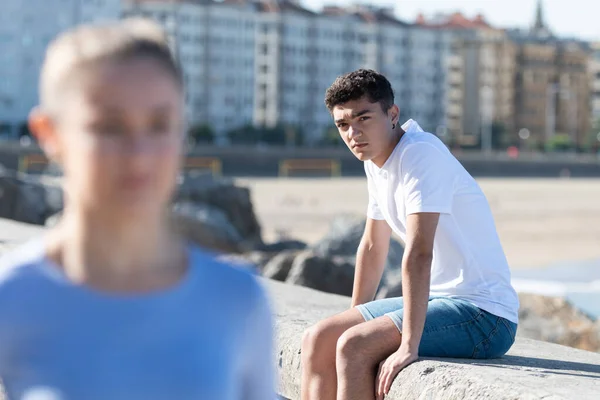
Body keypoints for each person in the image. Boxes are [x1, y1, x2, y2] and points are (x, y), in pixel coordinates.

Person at [0, 19, 274, 400]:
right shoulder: (12, 299)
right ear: (49, 133)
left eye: (160, 124)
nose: (139, 155)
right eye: (109, 127)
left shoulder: (237, 301)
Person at [301, 69, 519, 400]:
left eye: (363, 118)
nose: (353, 133)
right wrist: (355, 316)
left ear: (392, 114)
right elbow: (373, 246)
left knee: (354, 346)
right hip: (438, 301)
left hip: (485, 315)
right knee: (318, 338)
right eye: (343, 124)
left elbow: (419, 252)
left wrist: (408, 345)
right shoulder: (374, 161)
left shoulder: (421, 154)